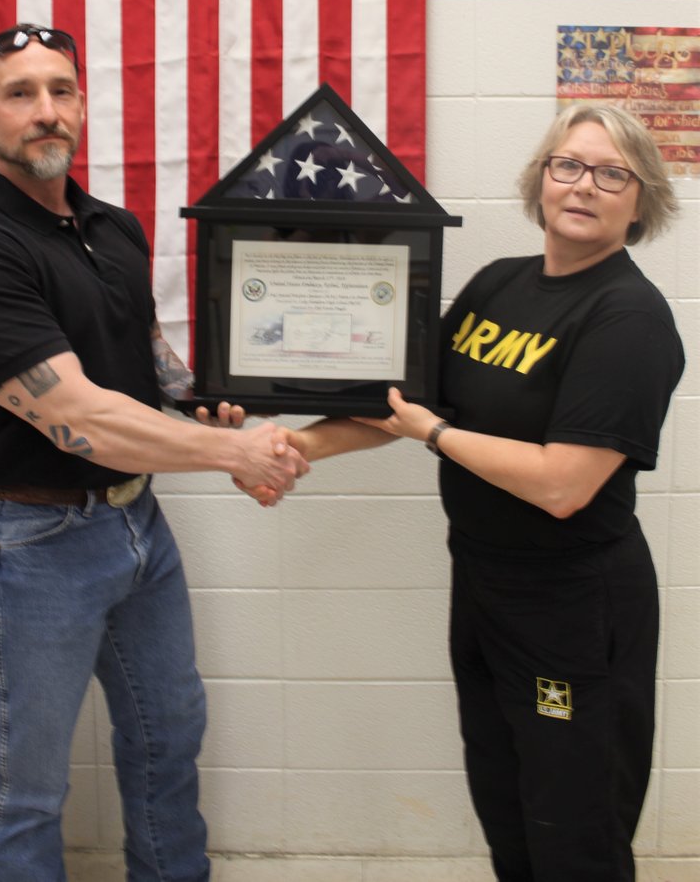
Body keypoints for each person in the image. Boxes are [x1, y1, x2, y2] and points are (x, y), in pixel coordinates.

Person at [0, 24, 308, 882]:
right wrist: (231, 451)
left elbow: (144, 363)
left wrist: (200, 397)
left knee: (169, 737)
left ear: (83, 105)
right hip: (29, 545)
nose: (45, 112)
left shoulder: (111, 226)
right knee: (28, 785)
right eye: (20, 95)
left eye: (61, 91)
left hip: (138, 531)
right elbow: (78, 416)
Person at [248, 104, 684, 880]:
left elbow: (563, 484)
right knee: (506, 802)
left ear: (641, 198)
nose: (584, 185)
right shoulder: (498, 285)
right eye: (568, 164)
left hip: (573, 603)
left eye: (611, 172)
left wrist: (433, 435)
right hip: (483, 588)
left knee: (574, 823)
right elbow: (403, 406)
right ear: (540, 178)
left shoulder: (630, 317)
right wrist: (293, 445)